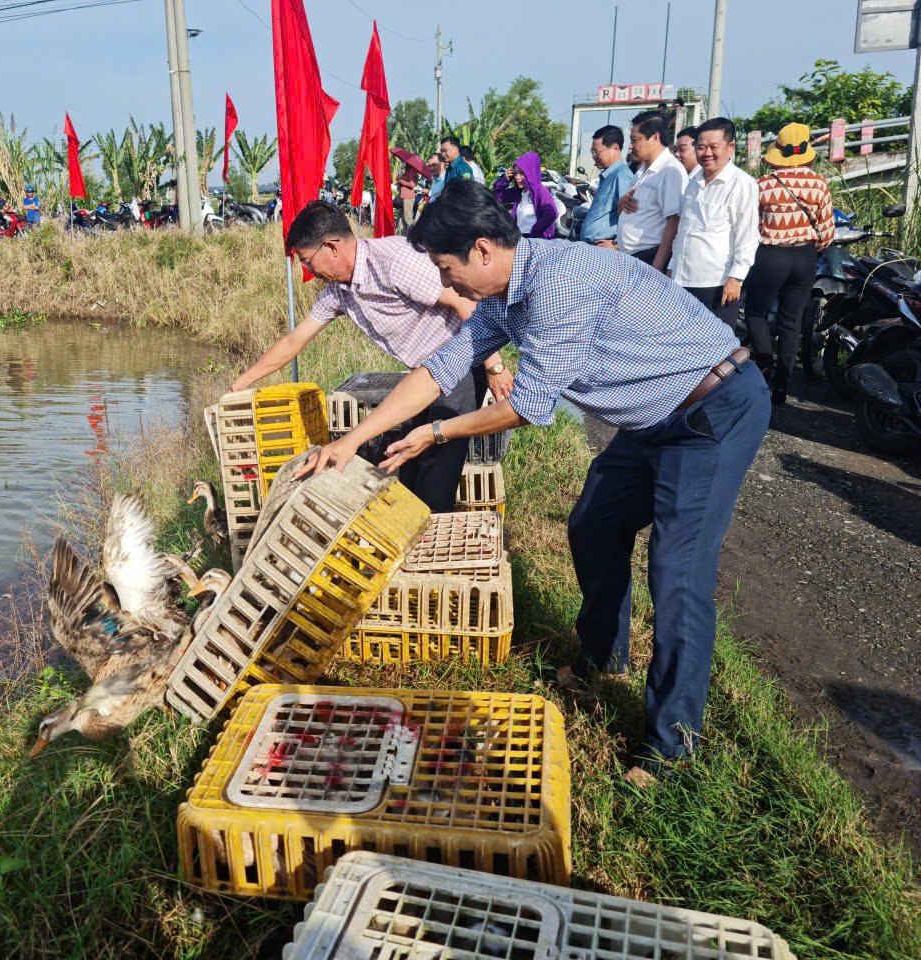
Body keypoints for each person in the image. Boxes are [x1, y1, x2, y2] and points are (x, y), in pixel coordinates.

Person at [300, 178, 770, 788]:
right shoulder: (504, 291)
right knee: (593, 525)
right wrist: (351, 440)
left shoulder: (557, 285)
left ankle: (671, 747)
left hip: (711, 409)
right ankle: (604, 655)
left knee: (677, 576)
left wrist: (438, 435)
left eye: (447, 269)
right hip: (654, 415)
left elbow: (527, 404)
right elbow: (438, 367)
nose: (446, 286)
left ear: (483, 251)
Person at [230, 200, 512, 512]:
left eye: (308, 262)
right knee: (406, 466)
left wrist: (494, 365)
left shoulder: (392, 259)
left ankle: (431, 546)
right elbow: (295, 340)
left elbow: (464, 305)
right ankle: (412, 537)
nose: (308, 271)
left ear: (332, 247)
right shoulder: (339, 291)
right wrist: (242, 383)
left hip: (459, 369)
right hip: (422, 376)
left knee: (437, 474)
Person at [743, 122, 835, 405]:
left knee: (756, 314)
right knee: (791, 323)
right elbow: (827, 233)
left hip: (771, 255)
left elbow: (753, 226)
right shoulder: (819, 184)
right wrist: (809, 249)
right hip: (804, 256)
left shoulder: (764, 185)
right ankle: (781, 387)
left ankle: (764, 363)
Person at [668, 117, 759, 329]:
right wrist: (672, 268)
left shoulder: (742, 184)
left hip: (716, 282)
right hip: (682, 280)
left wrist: (736, 278)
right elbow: (684, 230)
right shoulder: (694, 181)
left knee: (716, 349)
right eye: (701, 147)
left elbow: (747, 235)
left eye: (713, 147)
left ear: (731, 147)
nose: (707, 153)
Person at [617, 113, 688, 268]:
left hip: (649, 258)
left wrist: (656, 267)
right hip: (629, 257)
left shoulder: (670, 170)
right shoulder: (640, 171)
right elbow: (626, 212)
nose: (630, 146)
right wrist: (621, 203)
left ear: (655, 137)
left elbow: (674, 222)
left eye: (635, 140)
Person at [581, 125, 635, 246]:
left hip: (603, 247)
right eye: (592, 152)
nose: (593, 156)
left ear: (615, 148)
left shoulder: (621, 176)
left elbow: (630, 217)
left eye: (596, 152)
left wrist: (616, 244)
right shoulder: (608, 176)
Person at [491, 152, 557, 239]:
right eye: (515, 173)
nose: (517, 177)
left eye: (522, 173)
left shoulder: (541, 191)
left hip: (536, 242)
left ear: (530, 173)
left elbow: (552, 214)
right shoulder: (519, 192)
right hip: (520, 239)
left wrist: (535, 232)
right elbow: (497, 197)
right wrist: (505, 181)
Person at [396, 160, 421, 231]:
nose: (402, 163)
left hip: (408, 198)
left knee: (408, 219)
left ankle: (409, 236)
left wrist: (401, 181)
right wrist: (399, 178)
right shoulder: (406, 171)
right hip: (403, 197)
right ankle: (404, 236)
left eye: (403, 162)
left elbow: (412, 185)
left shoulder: (412, 171)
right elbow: (403, 181)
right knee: (403, 218)